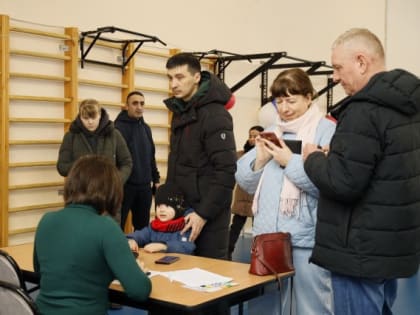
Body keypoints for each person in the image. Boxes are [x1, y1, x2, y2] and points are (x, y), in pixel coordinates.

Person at [303, 28, 420, 315]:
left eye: (338, 68)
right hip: (390, 244)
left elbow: (343, 183)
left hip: (359, 249)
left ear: (361, 62)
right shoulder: (409, 108)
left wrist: (313, 159)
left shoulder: (363, 111)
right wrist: (341, 157)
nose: (335, 77)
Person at [235, 68, 336, 315]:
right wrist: (258, 161)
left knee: (311, 308)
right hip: (267, 237)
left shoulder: (327, 131)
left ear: (309, 97)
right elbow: (245, 183)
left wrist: (288, 162)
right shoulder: (274, 130)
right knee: (263, 306)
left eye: (291, 100)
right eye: (279, 101)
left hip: (305, 239)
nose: (285, 108)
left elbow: (330, 186)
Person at [34, 155, 151, 315]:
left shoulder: (46, 220)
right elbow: (140, 290)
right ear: (111, 191)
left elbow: (39, 271)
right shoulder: (106, 228)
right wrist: (135, 270)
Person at [164, 52, 237, 260]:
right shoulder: (181, 112)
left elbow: (226, 171)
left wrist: (203, 213)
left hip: (208, 216)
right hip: (182, 213)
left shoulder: (216, 115)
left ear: (197, 77)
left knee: (209, 282)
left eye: (180, 77)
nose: (173, 84)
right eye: (170, 78)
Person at [57, 98, 132, 184]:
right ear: (80, 116)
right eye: (85, 118)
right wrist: (83, 165)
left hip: (108, 191)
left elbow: (126, 162)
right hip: (80, 192)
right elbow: (62, 167)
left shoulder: (114, 134)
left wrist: (117, 180)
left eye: (93, 117)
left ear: (100, 114)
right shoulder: (71, 136)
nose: (90, 121)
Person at [115, 91, 160, 231]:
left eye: (142, 103)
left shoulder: (146, 128)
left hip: (144, 187)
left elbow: (151, 156)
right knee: (117, 226)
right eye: (135, 103)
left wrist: (156, 179)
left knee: (142, 230)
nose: (139, 107)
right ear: (126, 106)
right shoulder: (117, 128)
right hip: (124, 187)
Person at [127, 182, 195, 255]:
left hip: (180, 264)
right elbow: (141, 235)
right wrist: (131, 240)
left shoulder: (184, 227)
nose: (162, 210)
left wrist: (164, 246)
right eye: (159, 206)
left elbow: (188, 247)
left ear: (178, 208)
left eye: (167, 206)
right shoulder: (154, 227)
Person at [228, 125, 264, 260]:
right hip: (242, 195)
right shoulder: (240, 155)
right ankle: (227, 252)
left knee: (259, 228)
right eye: (250, 136)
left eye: (255, 136)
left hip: (258, 197)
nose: (252, 139)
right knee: (235, 227)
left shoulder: (267, 155)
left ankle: (258, 256)